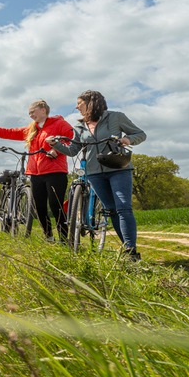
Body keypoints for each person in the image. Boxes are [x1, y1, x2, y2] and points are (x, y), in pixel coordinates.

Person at [48, 90, 147, 261]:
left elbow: (140, 134)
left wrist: (127, 140)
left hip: (118, 169)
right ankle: (127, 248)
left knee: (123, 207)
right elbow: (73, 150)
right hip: (94, 173)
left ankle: (131, 250)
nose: (77, 106)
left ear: (91, 102)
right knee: (111, 210)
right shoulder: (79, 126)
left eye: (79, 103)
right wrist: (56, 144)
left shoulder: (115, 117)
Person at [0, 99, 74, 242]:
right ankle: (49, 237)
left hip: (55, 171)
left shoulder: (60, 124)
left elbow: (70, 139)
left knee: (55, 206)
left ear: (43, 109)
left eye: (32, 112)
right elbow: (10, 132)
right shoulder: (32, 129)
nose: (30, 115)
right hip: (35, 173)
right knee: (39, 207)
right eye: (29, 113)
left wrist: (56, 150)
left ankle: (65, 240)